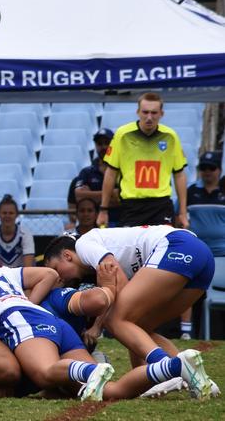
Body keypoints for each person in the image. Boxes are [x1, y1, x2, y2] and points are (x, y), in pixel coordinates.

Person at [0, 243, 213, 401]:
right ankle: (178, 365)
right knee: (109, 392)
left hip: (22, 323)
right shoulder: (0, 271)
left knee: (44, 373)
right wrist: (31, 304)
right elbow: (49, 275)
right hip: (51, 324)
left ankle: (88, 372)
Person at [43, 227, 217, 399]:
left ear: (67, 255)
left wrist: (98, 325)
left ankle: (164, 365)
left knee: (117, 320)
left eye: (55, 269)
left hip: (177, 246)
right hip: (202, 256)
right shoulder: (95, 259)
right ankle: (197, 379)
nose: (58, 278)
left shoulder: (84, 244)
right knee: (137, 325)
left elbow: (119, 283)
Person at [97, 93, 188, 228]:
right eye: (145, 112)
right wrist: (103, 210)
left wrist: (182, 212)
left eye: (154, 113)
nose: (149, 117)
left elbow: (179, 175)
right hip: (131, 206)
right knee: (131, 249)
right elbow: (111, 173)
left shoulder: (171, 136)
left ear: (161, 114)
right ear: (138, 112)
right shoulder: (122, 135)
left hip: (161, 206)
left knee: (161, 248)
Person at [185, 151, 225, 339]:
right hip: (196, 253)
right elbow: (180, 216)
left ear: (219, 169)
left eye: (212, 168)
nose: (207, 172)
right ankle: (187, 332)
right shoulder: (191, 192)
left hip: (222, 255)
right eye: (203, 168)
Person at [74, 128, 120, 225]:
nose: (103, 147)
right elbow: (79, 196)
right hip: (93, 226)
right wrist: (110, 193)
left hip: (119, 223)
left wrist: (90, 195)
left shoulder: (122, 171)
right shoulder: (86, 172)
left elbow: (119, 199)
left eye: (107, 143)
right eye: (99, 144)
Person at [0, 194, 34, 268]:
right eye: (4, 213)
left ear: (17, 215)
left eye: (11, 213)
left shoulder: (25, 234)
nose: (7, 216)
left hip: (20, 275)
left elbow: (28, 267)